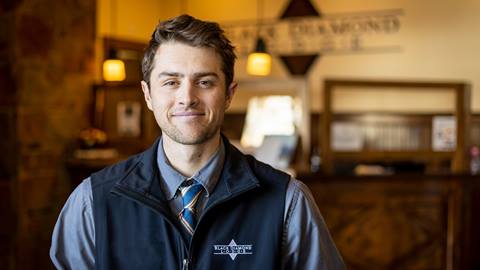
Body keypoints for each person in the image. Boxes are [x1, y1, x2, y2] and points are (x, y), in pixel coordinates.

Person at [50, 14, 345, 270]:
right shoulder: (91, 203)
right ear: (148, 95)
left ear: (229, 94)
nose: (187, 97)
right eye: (170, 82)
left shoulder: (288, 203)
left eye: (204, 82)